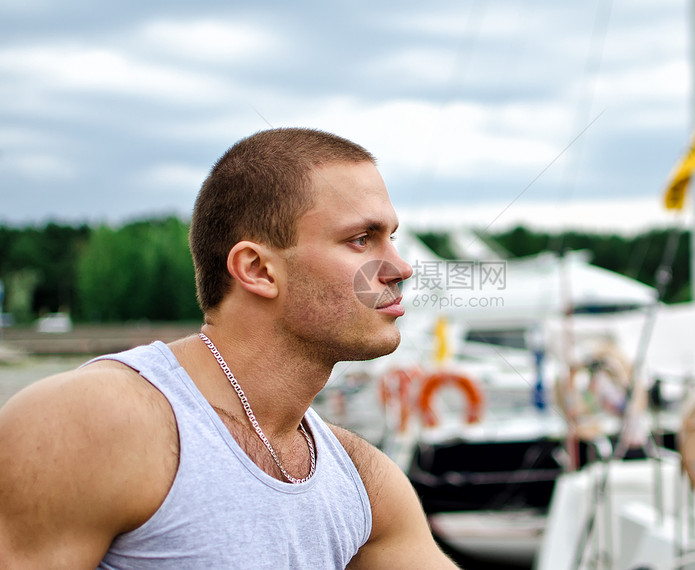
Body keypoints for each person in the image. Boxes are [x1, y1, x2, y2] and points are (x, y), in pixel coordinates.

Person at [0, 128, 459, 568]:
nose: (400, 267)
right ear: (257, 269)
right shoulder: (100, 420)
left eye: (391, 238)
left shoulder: (363, 481)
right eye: (362, 239)